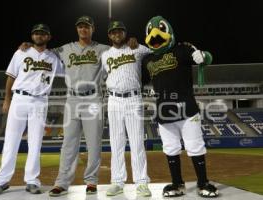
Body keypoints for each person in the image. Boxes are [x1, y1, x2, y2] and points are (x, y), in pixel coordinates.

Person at [19, 15, 139, 196]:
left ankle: (91, 181)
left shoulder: (103, 49)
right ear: (77, 29)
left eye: (87, 26)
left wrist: (131, 42)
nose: (83, 29)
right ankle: (62, 182)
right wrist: (28, 47)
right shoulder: (64, 49)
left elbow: (120, 50)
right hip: (72, 100)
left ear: (92, 29)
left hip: (93, 99)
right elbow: (43, 52)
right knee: (69, 143)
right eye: (80, 27)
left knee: (94, 143)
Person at [142, 16, 219, 198]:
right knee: (170, 148)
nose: (156, 38)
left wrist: (204, 56)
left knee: (195, 146)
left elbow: (205, 58)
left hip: (187, 109)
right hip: (164, 111)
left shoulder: (182, 49)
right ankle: (177, 184)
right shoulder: (147, 60)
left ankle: (202, 182)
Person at [0, 23, 64, 196]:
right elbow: (10, 77)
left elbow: (70, 69)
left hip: (40, 101)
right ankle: (2, 181)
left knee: (35, 142)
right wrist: (7, 99)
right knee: (11, 141)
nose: (39, 35)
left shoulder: (53, 57)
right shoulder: (21, 52)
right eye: (36, 33)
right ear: (32, 36)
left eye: (43, 33)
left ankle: (32, 181)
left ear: (49, 37)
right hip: (19, 99)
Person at [101, 21, 152, 197]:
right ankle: (117, 181)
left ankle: (142, 182)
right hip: (113, 100)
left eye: (119, 31)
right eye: (113, 32)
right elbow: (99, 76)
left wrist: (139, 43)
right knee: (116, 143)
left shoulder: (136, 48)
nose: (116, 34)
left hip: (134, 98)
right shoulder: (105, 55)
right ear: (109, 35)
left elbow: (156, 51)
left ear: (125, 33)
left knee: (137, 142)